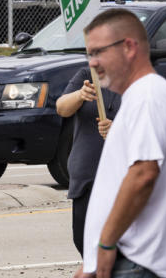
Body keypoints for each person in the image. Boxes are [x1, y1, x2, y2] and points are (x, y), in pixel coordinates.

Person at [74, 8, 166, 278]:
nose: (93, 63)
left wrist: (107, 244)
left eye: (99, 52)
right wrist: (90, 262)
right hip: (129, 258)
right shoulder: (140, 97)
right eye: (90, 54)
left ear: (129, 47)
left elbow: (144, 174)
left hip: (138, 262)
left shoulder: (148, 96)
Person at [56, 66, 121, 256]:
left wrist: (117, 130)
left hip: (120, 179)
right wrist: (80, 94)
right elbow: (62, 108)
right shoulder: (88, 75)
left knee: (116, 249)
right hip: (87, 177)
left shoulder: (135, 80)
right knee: (84, 241)